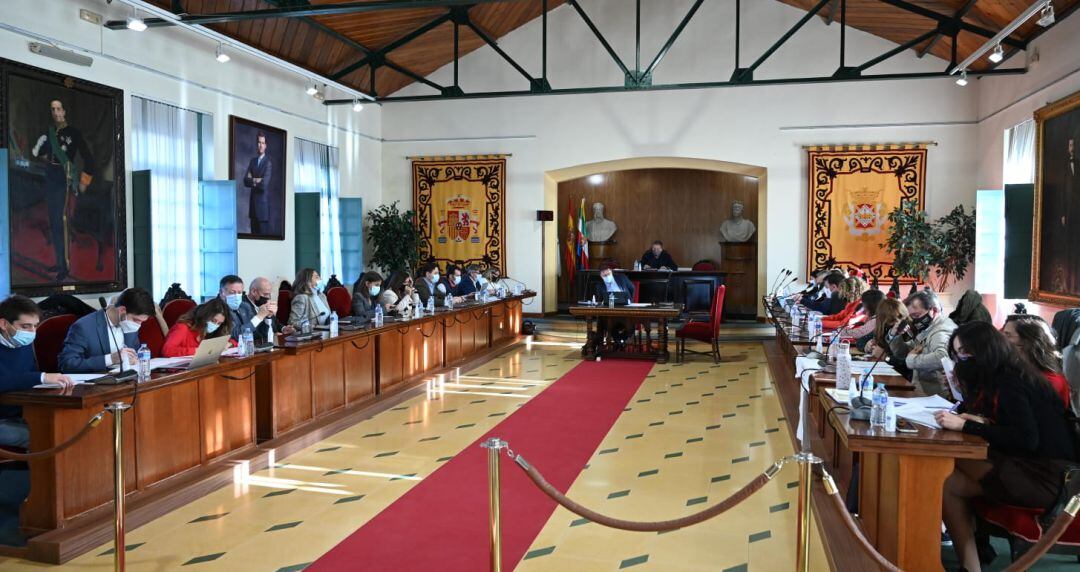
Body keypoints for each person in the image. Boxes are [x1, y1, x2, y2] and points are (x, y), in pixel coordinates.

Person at [935, 322, 1077, 572]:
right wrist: (981, 420)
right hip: (1029, 466)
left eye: (965, 355)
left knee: (945, 464)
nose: (961, 361)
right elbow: (1012, 425)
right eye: (957, 356)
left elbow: (1026, 439)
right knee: (949, 484)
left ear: (985, 351)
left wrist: (967, 427)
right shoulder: (1005, 375)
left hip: (1050, 478)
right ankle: (970, 567)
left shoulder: (1013, 382)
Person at [31, 99, 96, 282]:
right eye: (53, 109)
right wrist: (39, 147)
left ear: (64, 111)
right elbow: (38, 153)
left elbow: (89, 159)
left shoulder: (74, 133)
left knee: (62, 222)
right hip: (50, 176)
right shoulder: (50, 132)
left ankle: (65, 266)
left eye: (59, 109)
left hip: (64, 178)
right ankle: (59, 262)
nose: (56, 112)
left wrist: (84, 181)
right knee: (53, 221)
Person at [0, 296, 74, 449]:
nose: (32, 332)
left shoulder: (22, 342)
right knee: (46, 437)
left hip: (23, 412)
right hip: (3, 419)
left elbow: (28, 379)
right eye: (26, 326)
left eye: (35, 326)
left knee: (68, 429)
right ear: (4, 324)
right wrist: (41, 377)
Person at [58, 287, 154, 373]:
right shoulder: (83, 327)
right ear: (122, 311)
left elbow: (135, 352)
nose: (138, 325)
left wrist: (134, 359)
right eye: (136, 320)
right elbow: (67, 364)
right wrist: (111, 359)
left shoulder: (130, 325)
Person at [888, 289, 956, 398]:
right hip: (922, 392)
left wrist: (911, 360)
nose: (914, 320)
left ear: (933, 310)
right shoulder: (929, 328)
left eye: (916, 315)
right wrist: (894, 335)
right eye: (911, 317)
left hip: (936, 397)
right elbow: (902, 352)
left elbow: (942, 357)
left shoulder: (941, 330)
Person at [1002, 315, 1071, 408]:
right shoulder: (1014, 367)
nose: (1002, 339)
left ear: (1028, 340)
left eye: (1008, 335)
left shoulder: (1050, 381)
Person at [161, 299, 232, 358]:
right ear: (205, 316)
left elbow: (233, 341)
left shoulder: (209, 331)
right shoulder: (182, 327)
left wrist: (229, 344)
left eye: (219, 323)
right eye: (213, 321)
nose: (215, 325)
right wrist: (198, 351)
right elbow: (167, 350)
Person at [590, 265, 636, 350]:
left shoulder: (621, 278)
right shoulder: (599, 286)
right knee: (603, 320)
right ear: (601, 276)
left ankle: (622, 340)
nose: (607, 277)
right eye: (604, 275)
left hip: (626, 309)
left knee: (630, 322)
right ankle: (612, 341)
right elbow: (600, 300)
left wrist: (630, 300)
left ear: (611, 272)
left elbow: (632, 288)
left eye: (608, 274)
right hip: (610, 311)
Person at [220, 275, 277, 340]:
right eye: (232, 292)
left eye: (239, 292)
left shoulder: (245, 306)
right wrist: (259, 316)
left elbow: (259, 334)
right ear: (221, 292)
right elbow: (236, 335)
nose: (236, 296)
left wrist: (267, 317)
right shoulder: (217, 310)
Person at [243, 131, 273, 235]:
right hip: (253, 211)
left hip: (262, 211)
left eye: (263, 143)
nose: (260, 145)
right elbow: (245, 181)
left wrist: (253, 179)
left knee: (263, 244)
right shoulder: (252, 161)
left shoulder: (268, 163)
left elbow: (264, 185)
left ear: (266, 146)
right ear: (256, 144)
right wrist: (257, 180)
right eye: (259, 142)